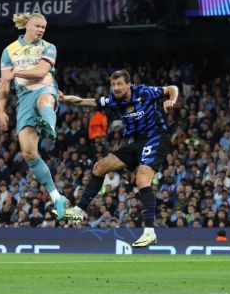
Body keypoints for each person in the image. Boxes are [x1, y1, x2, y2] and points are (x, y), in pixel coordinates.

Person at [57, 69, 178, 247]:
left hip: (156, 137)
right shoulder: (113, 100)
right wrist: (66, 98)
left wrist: (172, 100)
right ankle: (79, 211)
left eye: (119, 84)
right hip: (136, 142)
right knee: (99, 167)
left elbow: (171, 88)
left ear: (129, 84)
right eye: (113, 84)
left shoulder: (143, 92)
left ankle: (149, 232)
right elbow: (86, 102)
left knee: (142, 178)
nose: (116, 88)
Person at [0, 13, 68, 218]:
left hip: (44, 87)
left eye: (44, 27)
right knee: (28, 153)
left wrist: (15, 73)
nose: (41, 30)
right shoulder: (9, 51)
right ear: (27, 25)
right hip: (23, 98)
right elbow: (4, 84)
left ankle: (49, 126)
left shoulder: (49, 47)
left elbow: (40, 71)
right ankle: (57, 198)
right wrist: (0, 109)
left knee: (45, 100)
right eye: (37, 26)